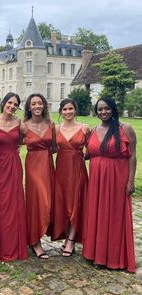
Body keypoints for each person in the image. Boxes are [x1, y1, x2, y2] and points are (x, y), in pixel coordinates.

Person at [83, 97, 137, 272]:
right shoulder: (93, 130)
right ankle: (96, 254)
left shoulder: (124, 129)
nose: (103, 112)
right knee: (97, 213)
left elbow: (132, 156)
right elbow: (87, 154)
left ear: (113, 109)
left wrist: (130, 181)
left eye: (106, 108)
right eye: (100, 109)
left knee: (114, 215)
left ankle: (113, 257)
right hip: (96, 180)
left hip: (117, 179)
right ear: (96, 111)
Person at [0, 92, 28, 262]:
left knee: (13, 203)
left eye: (15, 104)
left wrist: (17, 146)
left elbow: (28, 138)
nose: (12, 106)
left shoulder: (19, 123)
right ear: (4, 103)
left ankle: (13, 244)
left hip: (13, 165)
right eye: (10, 103)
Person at [51, 98, 90, 257]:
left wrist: (79, 156)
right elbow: (52, 148)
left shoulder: (84, 128)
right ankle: (67, 235)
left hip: (77, 170)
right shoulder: (56, 128)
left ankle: (71, 240)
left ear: (75, 110)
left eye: (70, 109)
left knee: (76, 203)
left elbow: (91, 149)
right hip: (61, 171)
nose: (68, 112)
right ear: (61, 112)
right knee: (63, 203)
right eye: (65, 109)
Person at [20, 93, 54, 259]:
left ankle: (39, 234)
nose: (37, 106)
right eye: (33, 104)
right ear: (28, 107)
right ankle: (35, 241)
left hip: (47, 164)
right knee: (37, 201)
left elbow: (55, 147)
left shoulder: (51, 124)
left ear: (44, 105)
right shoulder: (23, 126)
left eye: (40, 103)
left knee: (48, 201)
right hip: (33, 166)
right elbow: (14, 143)